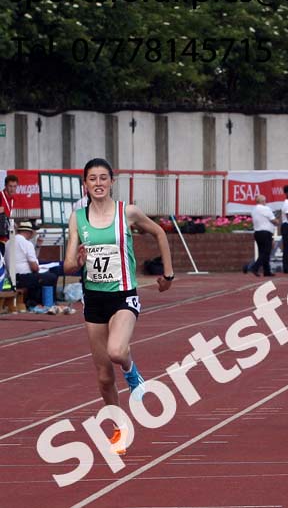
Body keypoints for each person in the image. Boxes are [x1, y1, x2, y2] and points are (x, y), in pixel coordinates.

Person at [64, 158, 174, 455]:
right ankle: (119, 428)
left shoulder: (128, 212)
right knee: (102, 376)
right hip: (94, 299)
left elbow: (160, 233)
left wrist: (168, 272)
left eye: (103, 178)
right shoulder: (78, 218)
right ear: (84, 184)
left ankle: (132, 371)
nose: (98, 183)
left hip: (123, 295)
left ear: (112, 181)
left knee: (116, 351)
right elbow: (68, 263)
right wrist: (80, 261)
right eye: (92, 179)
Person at [13, 220, 58, 309]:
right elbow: (34, 267)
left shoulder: (9, 242)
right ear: (30, 232)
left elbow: (29, 258)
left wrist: (37, 246)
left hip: (12, 278)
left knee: (39, 277)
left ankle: (35, 301)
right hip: (23, 277)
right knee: (51, 277)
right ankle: (46, 303)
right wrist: (38, 268)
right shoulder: (27, 243)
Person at [245, 194, 278, 276]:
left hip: (257, 232)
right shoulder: (265, 209)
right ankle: (254, 267)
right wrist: (277, 221)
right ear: (262, 201)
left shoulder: (254, 210)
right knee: (266, 252)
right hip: (265, 232)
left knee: (262, 252)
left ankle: (267, 271)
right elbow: (273, 220)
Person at [1, 174, 17, 258]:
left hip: (7, 236)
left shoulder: (14, 199)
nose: (12, 189)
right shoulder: (0, 196)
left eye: (14, 186)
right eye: (10, 186)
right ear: (5, 186)